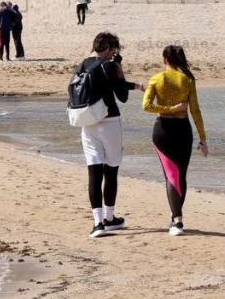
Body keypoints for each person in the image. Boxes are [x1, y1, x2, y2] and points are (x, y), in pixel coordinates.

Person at [77, 32, 142, 238]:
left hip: (87, 122)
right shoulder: (110, 66)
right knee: (111, 169)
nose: (115, 53)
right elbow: (121, 95)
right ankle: (110, 218)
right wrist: (119, 68)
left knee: (94, 172)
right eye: (114, 49)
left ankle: (97, 224)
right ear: (108, 49)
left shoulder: (83, 65)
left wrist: (134, 84)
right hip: (110, 121)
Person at [142, 45, 208, 236]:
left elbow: (146, 106)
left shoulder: (156, 78)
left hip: (162, 130)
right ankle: (176, 218)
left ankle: (177, 220)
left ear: (164, 59)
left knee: (171, 176)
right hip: (183, 131)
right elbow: (195, 110)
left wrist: (168, 109)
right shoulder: (187, 80)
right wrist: (203, 139)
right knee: (180, 176)